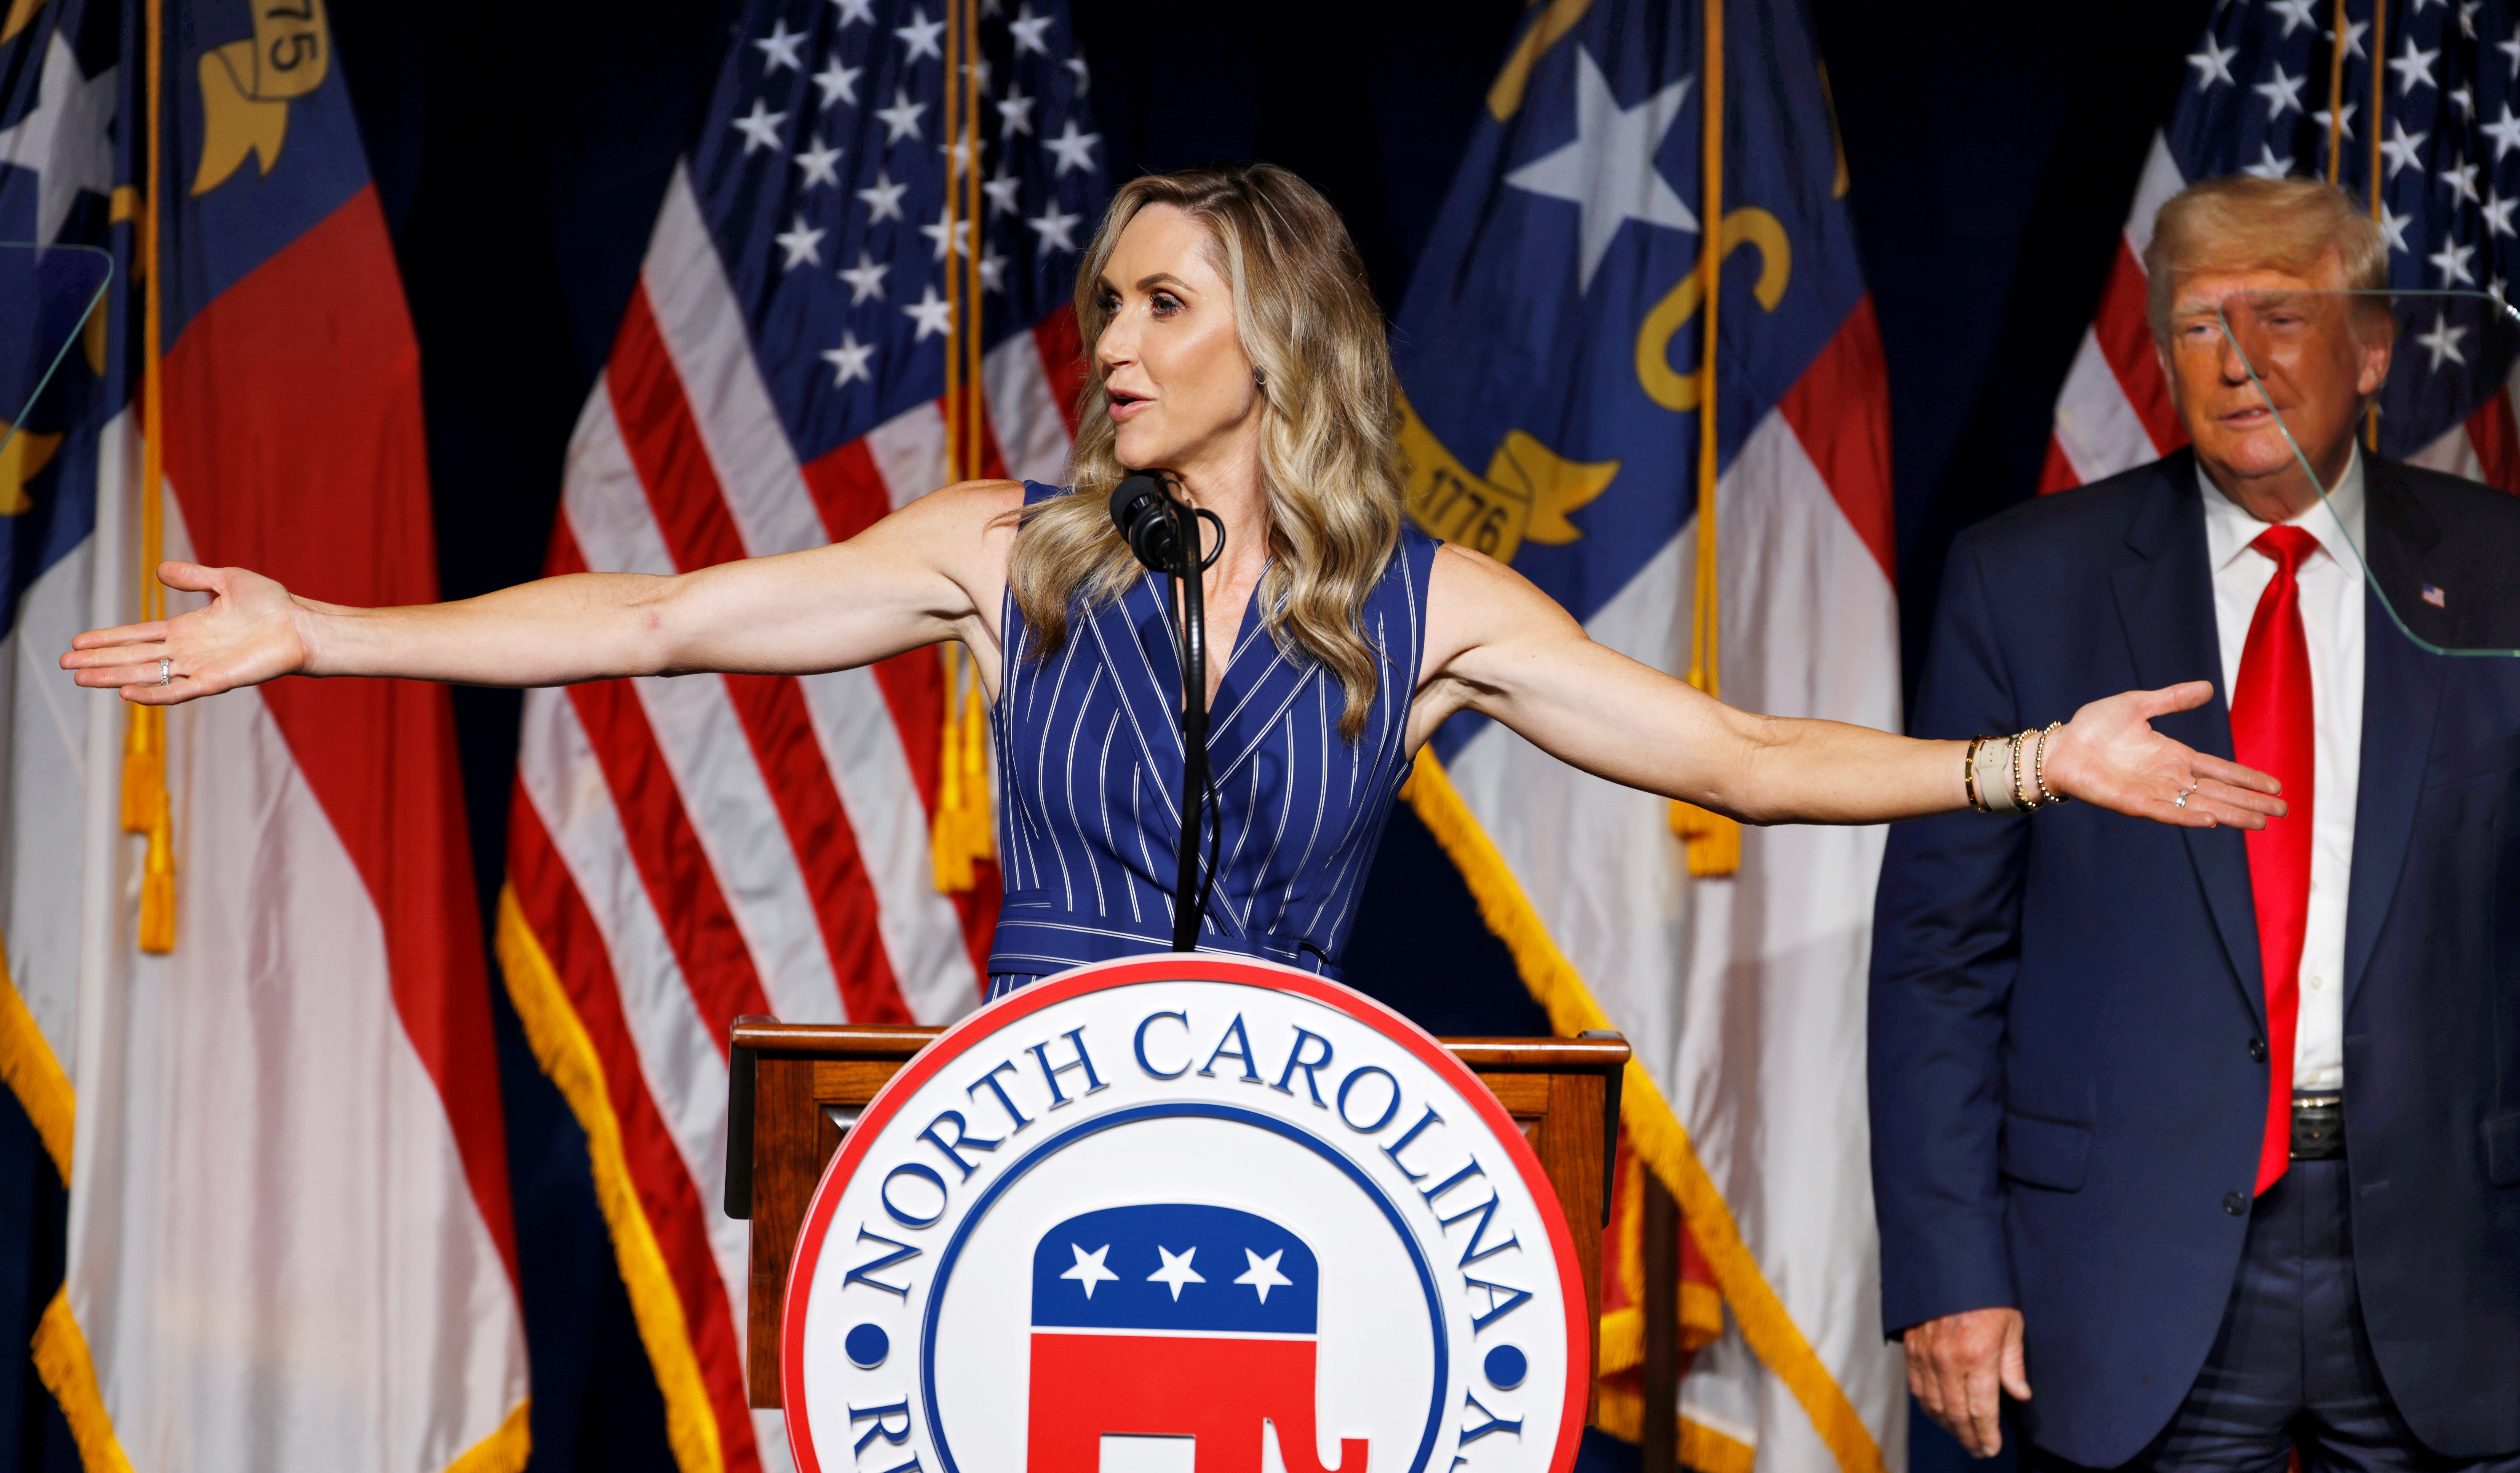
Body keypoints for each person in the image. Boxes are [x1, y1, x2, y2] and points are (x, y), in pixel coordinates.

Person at [66, 163, 2275, 1007]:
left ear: (1274, 345)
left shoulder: (1428, 609)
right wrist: (320, 632)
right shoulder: (1003, 554)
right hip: (1016, 1134)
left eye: (1160, 308)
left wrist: (2026, 761)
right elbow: (652, 619)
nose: (1109, 344)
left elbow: (1740, 750)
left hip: (1293, 1154)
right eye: (1107, 306)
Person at [1872, 173, 2520, 1473]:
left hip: (2449, 1258)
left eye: (2276, 317)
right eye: (2195, 325)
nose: (2232, 360)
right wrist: (1948, 1267)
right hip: (2129, 1265)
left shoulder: (2501, 573)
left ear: (2370, 349)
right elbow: (1938, 957)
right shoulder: (2022, 581)